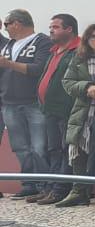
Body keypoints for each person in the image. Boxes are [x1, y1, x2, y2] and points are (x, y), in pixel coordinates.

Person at [59, 23, 95, 206]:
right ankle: (79, 191)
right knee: (78, 145)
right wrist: (86, 87)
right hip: (84, 109)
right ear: (87, 40)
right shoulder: (79, 58)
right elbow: (67, 82)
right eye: (94, 37)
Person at [30, 15, 81, 204]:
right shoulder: (55, 50)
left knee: (65, 149)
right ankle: (51, 187)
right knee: (53, 150)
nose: (51, 30)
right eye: (50, 26)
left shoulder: (78, 50)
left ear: (69, 29)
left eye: (56, 27)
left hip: (67, 110)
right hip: (49, 109)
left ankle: (60, 189)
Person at [0, 11, 51, 200]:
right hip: (9, 103)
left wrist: (10, 64)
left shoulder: (42, 41)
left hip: (33, 102)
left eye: (7, 23)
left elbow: (39, 69)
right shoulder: (8, 45)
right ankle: (29, 183)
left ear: (18, 23)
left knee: (39, 146)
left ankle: (45, 184)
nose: (5, 28)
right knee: (19, 146)